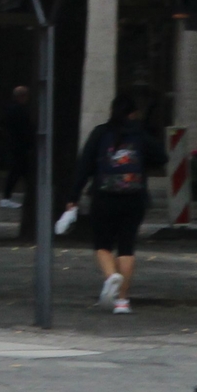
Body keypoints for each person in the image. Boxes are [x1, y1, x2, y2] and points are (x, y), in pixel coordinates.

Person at [69, 94, 166, 313]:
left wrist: (73, 197)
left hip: (104, 198)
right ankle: (122, 301)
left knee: (102, 245)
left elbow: (84, 166)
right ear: (133, 114)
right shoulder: (140, 134)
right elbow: (162, 157)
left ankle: (111, 275)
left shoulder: (100, 133)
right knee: (126, 247)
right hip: (134, 199)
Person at [0, 85, 34, 209]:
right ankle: (6, 197)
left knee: (21, 172)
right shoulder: (19, 110)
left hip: (15, 146)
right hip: (19, 147)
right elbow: (25, 129)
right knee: (17, 172)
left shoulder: (10, 109)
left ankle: (7, 197)